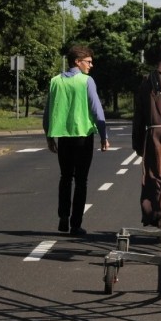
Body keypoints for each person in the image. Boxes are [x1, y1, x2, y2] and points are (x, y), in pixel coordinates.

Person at [43, 45, 110, 236]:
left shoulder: (55, 81)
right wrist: (103, 135)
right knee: (81, 181)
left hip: (62, 136)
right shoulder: (86, 81)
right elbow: (97, 110)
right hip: (82, 136)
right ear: (77, 62)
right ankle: (76, 224)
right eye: (88, 61)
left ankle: (63, 216)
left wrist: (48, 135)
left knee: (65, 177)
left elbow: (48, 111)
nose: (91, 65)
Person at [132, 45, 161, 229]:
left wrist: (137, 141)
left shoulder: (148, 80)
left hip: (154, 132)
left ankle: (159, 212)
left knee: (154, 174)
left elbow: (139, 115)